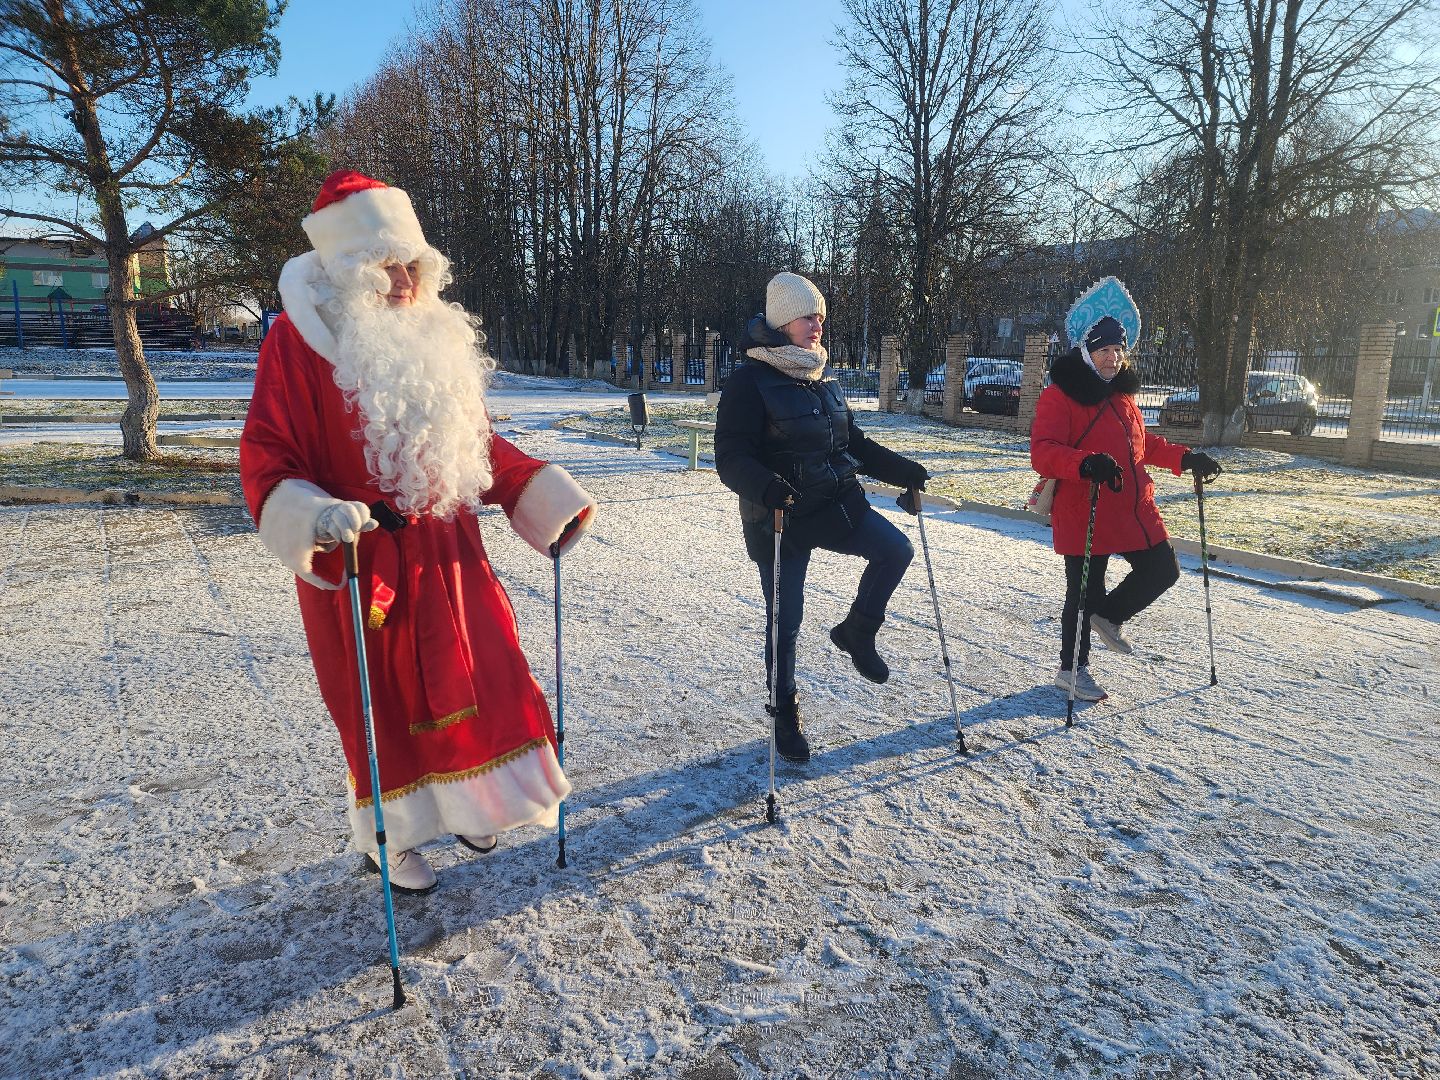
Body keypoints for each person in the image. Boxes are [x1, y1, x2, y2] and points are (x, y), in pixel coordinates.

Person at [240, 170, 597, 894]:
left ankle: (475, 802)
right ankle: (389, 839)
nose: (404, 281)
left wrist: (535, 487)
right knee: (383, 708)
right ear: (347, 271)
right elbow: (267, 454)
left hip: (450, 553)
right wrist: (310, 513)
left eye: (413, 265)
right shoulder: (297, 345)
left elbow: (475, 446)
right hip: (361, 556)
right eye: (386, 266)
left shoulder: (434, 338)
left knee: (482, 682)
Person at [715, 272, 930, 763]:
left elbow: (852, 442)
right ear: (782, 321)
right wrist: (766, 488)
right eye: (808, 316)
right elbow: (730, 456)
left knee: (895, 550)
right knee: (784, 619)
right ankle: (784, 707)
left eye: (820, 316)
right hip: (779, 516)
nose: (817, 325)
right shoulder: (750, 380)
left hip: (836, 502)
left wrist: (902, 470)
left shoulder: (822, 374)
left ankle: (857, 630)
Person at [1031, 277, 1220, 702]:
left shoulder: (1123, 398)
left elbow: (1142, 444)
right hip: (1087, 504)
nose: (1113, 358)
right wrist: (1084, 463)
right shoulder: (1059, 398)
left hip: (1134, 506)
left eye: (1118, 350)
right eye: (1103, 350)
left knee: (1162, 569)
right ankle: (1072, 670)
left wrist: (1184, 458)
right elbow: (1043, 453)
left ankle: (1110, 617)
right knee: (1084, 591)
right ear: (1086, 352)